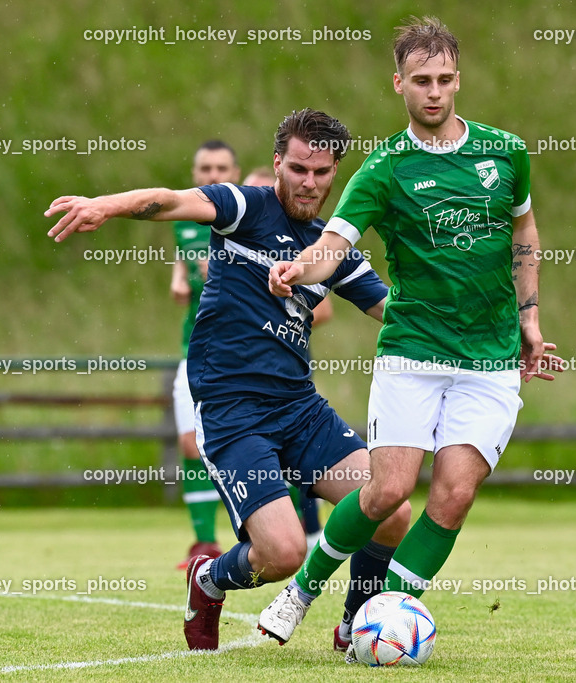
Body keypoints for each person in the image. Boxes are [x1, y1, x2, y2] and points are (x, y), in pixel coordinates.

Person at [44, 108, 411, 652]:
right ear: (277, 164)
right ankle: (209, 579)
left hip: (299, 407)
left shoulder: (333, 249)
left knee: (392, 508)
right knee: (284, 556)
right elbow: (170, 200)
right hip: (233, 410)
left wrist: (497, 334)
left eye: (322, 172)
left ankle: (354, 623)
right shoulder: (245, 207)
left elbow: (402, 315)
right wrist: (105, 205)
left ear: (336, 173)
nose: (309, 182)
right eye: (298, 169)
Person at [260, 16, 563, 656]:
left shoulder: (505, 152)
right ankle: (302, 591)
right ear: (398, 83)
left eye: (445, 79)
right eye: (421, 80)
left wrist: (531, 319)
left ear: (459, 80)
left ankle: (384, 617)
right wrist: (298, 269)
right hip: (412, 353)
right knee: (388, 490)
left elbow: (525, 232)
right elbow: (335, 245)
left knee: (453, 494)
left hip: (491, 359)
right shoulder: (384, 170)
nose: (434, 91)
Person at [245, 165, 331, 556]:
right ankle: (262, 539)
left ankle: (313, 534)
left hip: (293, 378)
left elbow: (325, 310)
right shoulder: (230, 238)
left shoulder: (314, 250)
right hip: (237, 391)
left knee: (301, 462)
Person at [171, 140, 241, 569]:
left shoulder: (249, 219)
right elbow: (183, 267)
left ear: (234, 172)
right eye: (204, 168)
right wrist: (180, 276)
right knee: (189, 444)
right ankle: (204, 543)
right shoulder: (183, 221)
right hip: (194, 348)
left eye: (221, 167)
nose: (213, 175)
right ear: (194, 174)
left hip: (241, 354)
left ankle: (284, 531)